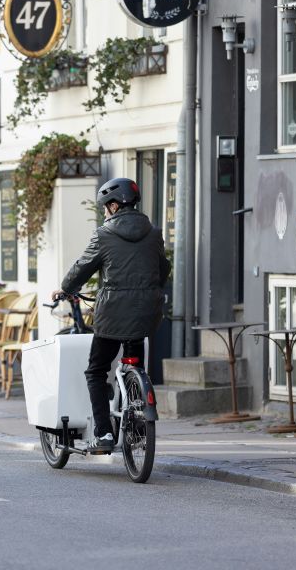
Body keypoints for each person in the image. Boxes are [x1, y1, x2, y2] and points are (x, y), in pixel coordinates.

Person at [52, 178, 170, 454]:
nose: (105, 212)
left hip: (113, 314)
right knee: (135, 364)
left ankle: (104, 434)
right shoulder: (154, 233)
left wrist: (66, 289)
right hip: (146, 313)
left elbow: (83, 267)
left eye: (106, 207)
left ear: (115, 205)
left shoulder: (104, 234)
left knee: (96, 371)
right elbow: (162, 269)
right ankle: (139, 427)